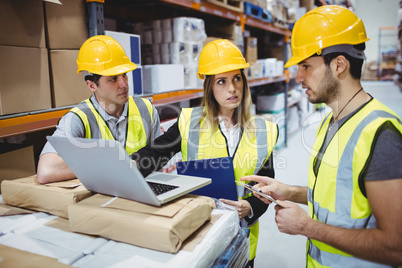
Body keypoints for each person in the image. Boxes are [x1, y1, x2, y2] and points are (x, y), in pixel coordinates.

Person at [242, 5, 402, 267]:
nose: (298, 77)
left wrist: (308, 227)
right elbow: (340, 196)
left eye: (306, 66)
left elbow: (396, 247)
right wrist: (287, 191)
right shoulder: (330, 121)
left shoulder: (381, 135)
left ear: (339, 64)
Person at [131, 39, 278, 267]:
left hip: (244, 237)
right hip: (202, 233)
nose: (232, 88)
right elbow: (156, 152)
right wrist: (130, 166)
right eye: (222, 81)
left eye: (237, 78)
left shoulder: (265, 130)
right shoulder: (189, 122)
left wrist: (250, 207)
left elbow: (267, 188)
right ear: (210, 86)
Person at [37, 35, 161, 184]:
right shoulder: (78, 118)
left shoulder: (146, 109)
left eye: (124, 75)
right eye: (113, 78)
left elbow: (157, 163)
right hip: (102, 199)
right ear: (92, 86)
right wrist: (112, 165)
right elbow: (46, 170)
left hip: (144, 192)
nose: (124, 84)